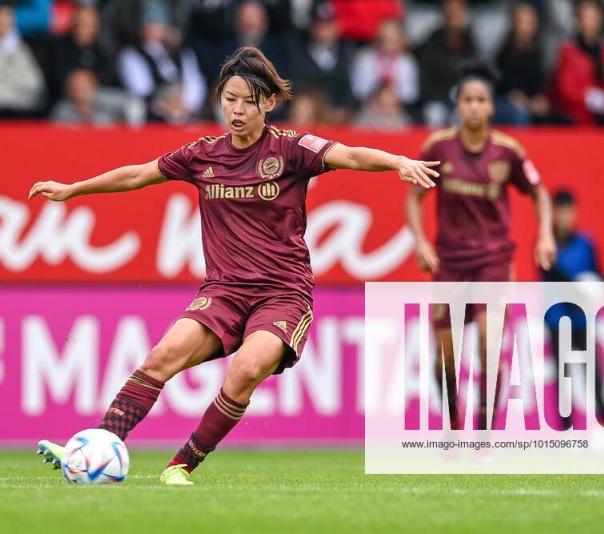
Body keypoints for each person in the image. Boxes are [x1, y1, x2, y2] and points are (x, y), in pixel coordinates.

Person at [31, 46, 439, 485]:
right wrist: (74, 189)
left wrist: (397, 161)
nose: (238, 110)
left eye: (248, 101)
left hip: (283, 295)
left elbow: (352, 156)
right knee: (161, 357)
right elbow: (136, 175)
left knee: (244, 370)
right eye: (230, 100)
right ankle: (96, 446)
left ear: (268, 103)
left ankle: (181, 465)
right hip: (224, 292)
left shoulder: (292, 149)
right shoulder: (202, 154)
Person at [404, 63, 556, 430]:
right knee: (445, 357)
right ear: (458, 105)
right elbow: (413, 197)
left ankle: (484, 433)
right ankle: (454, 423)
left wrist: (546, 233)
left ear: (491, 107)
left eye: (481, 100)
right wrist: (420, 241)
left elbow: (539, 193)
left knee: (489, 345)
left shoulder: (507, 152)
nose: (474, 106)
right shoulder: (438, 148)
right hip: (450, 263)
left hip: (493, 260)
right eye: (468, 100)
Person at [542, 189, 604, 428]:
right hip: (558, 321)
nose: (565, 216)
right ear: (554, 213)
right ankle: (565, 427)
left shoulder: (586, 244)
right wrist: (581, 294)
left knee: (593, 372)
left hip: (582, 321)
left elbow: (600, 275)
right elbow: (554, 277)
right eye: (560, 211)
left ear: (574, 212)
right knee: (563, 374)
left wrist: (601, 292)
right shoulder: (545, 244)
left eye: (569, 211)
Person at [549, 0, 604, 125]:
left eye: (593, 17)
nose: (589, 23)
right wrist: (588, 98)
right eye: (585, 18)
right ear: (578, 21)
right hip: (575, 114)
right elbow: (566, 88)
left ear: (600, 20)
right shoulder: (568, 50)